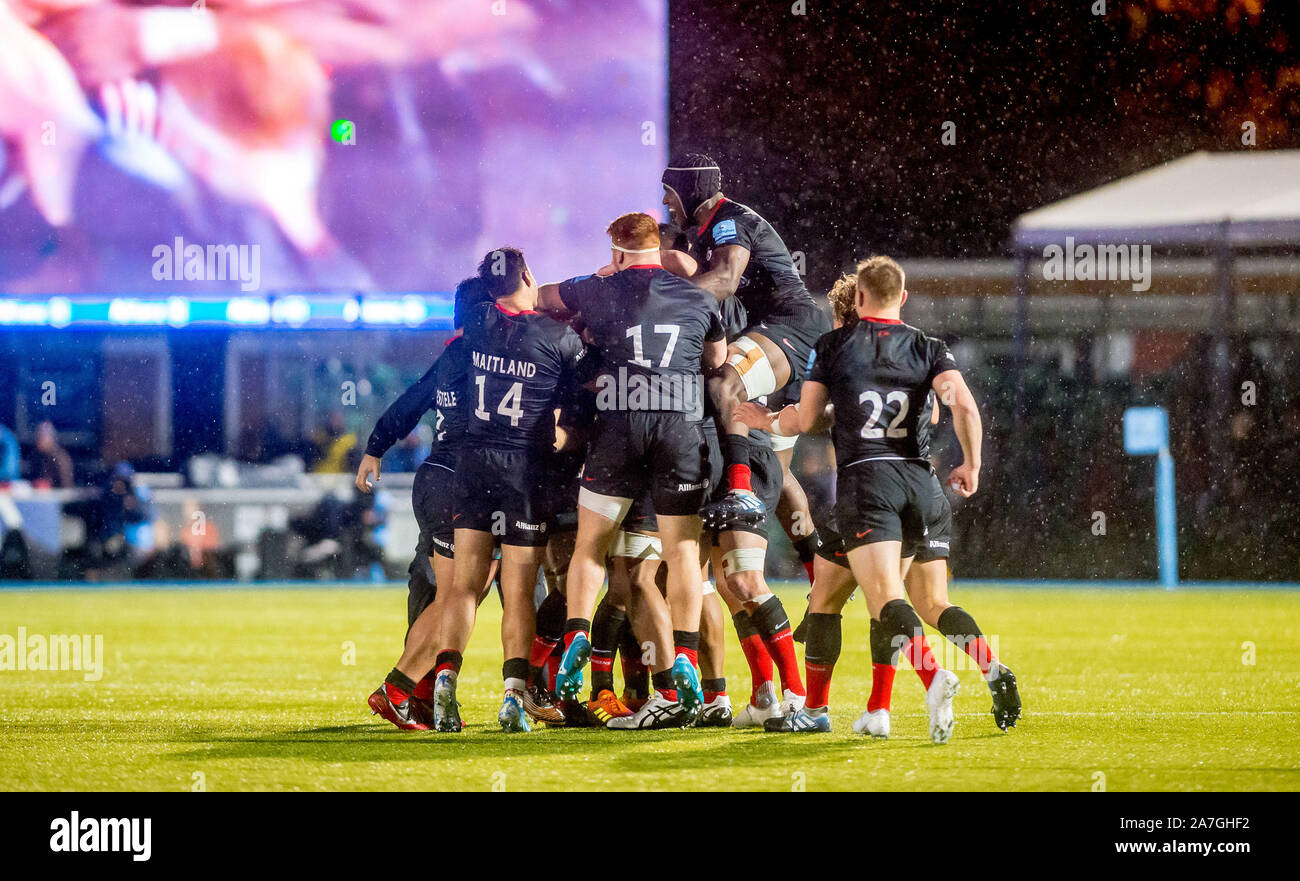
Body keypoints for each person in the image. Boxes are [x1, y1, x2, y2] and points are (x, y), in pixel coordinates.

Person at [736, 256, 982, 743]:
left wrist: (765, 419)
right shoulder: (926, 349)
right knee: (901, 600)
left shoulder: (835, 347)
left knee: (854, 597)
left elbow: (807, 420)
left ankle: (911, 683)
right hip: (921, 487)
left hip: (867, 489)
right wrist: (972, 465)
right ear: (902, 299)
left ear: (855, 307)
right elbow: (947, 411)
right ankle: (880, 707)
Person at [537, 212, 727, 726]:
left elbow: (542, 298)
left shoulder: (597, 290)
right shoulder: (700, 297)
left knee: (590, 549)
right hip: (678, 429)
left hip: (618, 426)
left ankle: (577, 630)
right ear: (659, 248)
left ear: (618, 252)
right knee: (683, 552)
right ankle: (684, 656)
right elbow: (716, 359)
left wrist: (592, 285)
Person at [660, 153, 830, 533]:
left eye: (669, 192)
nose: (666, 202)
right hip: (787, 334)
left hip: (790, 327)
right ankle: (819, 568)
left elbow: (724, 280)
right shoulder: (705, 230)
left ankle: (740, 491)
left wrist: (659, 302)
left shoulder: (728, 221)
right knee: (775, 469)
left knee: (724, 381)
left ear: (691, 190)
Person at [32, 421, 74, 488]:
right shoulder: (40, 455)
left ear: (50, 438)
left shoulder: (59, 457)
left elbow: (65, 484)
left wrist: (48, 485)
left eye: (41, 438)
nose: (38, 441)